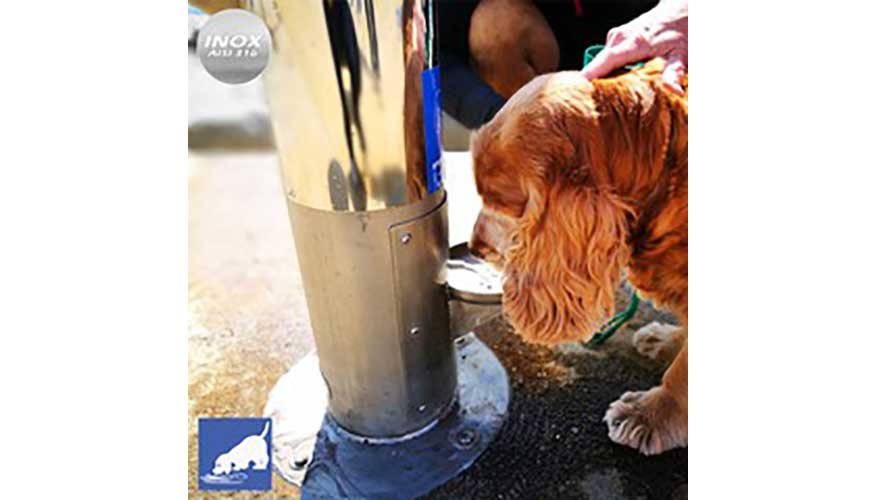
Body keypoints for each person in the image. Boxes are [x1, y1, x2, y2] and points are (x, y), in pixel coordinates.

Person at [439, 0, 687, 129]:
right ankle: (541, 166)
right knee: (495, 25)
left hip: (655, 51)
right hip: (546, 76)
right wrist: (502, 117)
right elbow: (437, 52)